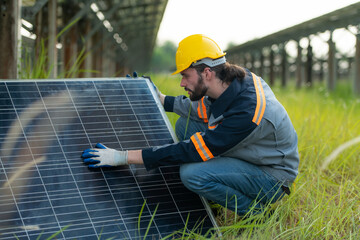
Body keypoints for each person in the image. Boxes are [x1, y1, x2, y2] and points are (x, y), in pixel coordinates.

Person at [82, 34, 299, 216]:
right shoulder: (229, 83)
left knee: (192, 173)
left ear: (206, 72)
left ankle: (256, 213)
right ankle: (218, 191)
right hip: (250, 153)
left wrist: (122, 157)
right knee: (185, 126)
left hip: (271, 176)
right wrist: (159, 98)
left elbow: (192, 150)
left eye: (185, 76)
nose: (182, 83)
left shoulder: (247, 111)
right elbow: (201, 110)